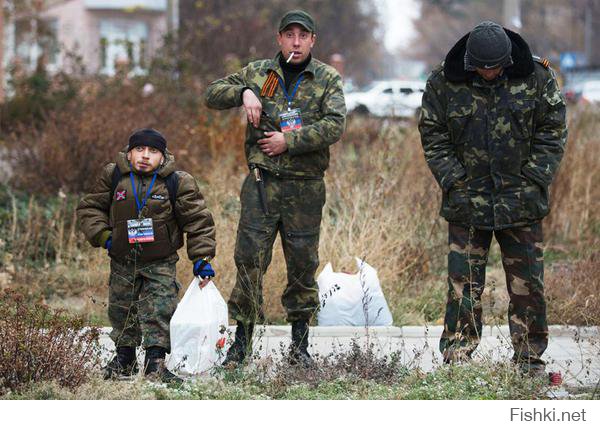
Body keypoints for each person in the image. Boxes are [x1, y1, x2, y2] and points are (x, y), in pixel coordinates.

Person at [418, 21, 567, 376]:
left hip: (522, 202)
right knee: (463, 285)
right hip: (467, 203)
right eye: (481, 68)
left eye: (494, 67)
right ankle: (457, 357)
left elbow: (553, 129)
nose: (487, 74)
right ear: (470, 62)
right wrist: (454, 180)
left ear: (507, 61)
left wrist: (534, 179)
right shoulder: (444, 81)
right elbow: (432, 133)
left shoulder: (537, 78)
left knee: (528, 284)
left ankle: (529, 357)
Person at [205, 10, 346, 366]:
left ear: (313, 40)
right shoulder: (259, 72)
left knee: (302, 264)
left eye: (303, 36)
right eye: (289, 35)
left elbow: (335, 124)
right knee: (249, 262)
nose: (295, 42)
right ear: (279, 38)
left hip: (305, 189)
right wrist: (245, 92)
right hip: (261, 185)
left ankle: (299, 348)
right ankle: (241, 345)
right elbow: (212, 94)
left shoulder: (326, 78)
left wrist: (290, 141)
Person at [77, 128, 216, 382]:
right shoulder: (114, 175)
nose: (145, 156)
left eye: (153, 151)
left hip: (161, 261)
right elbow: (90, 208)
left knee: (160, 308)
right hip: (123, 259)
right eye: (139, 149)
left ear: (162, 157)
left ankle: (156, 363)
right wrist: (105, 237)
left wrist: (202, 258)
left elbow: (198, 221)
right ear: (129, 153)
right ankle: (124, 359)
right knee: (122, 309)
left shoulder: (177, 181)